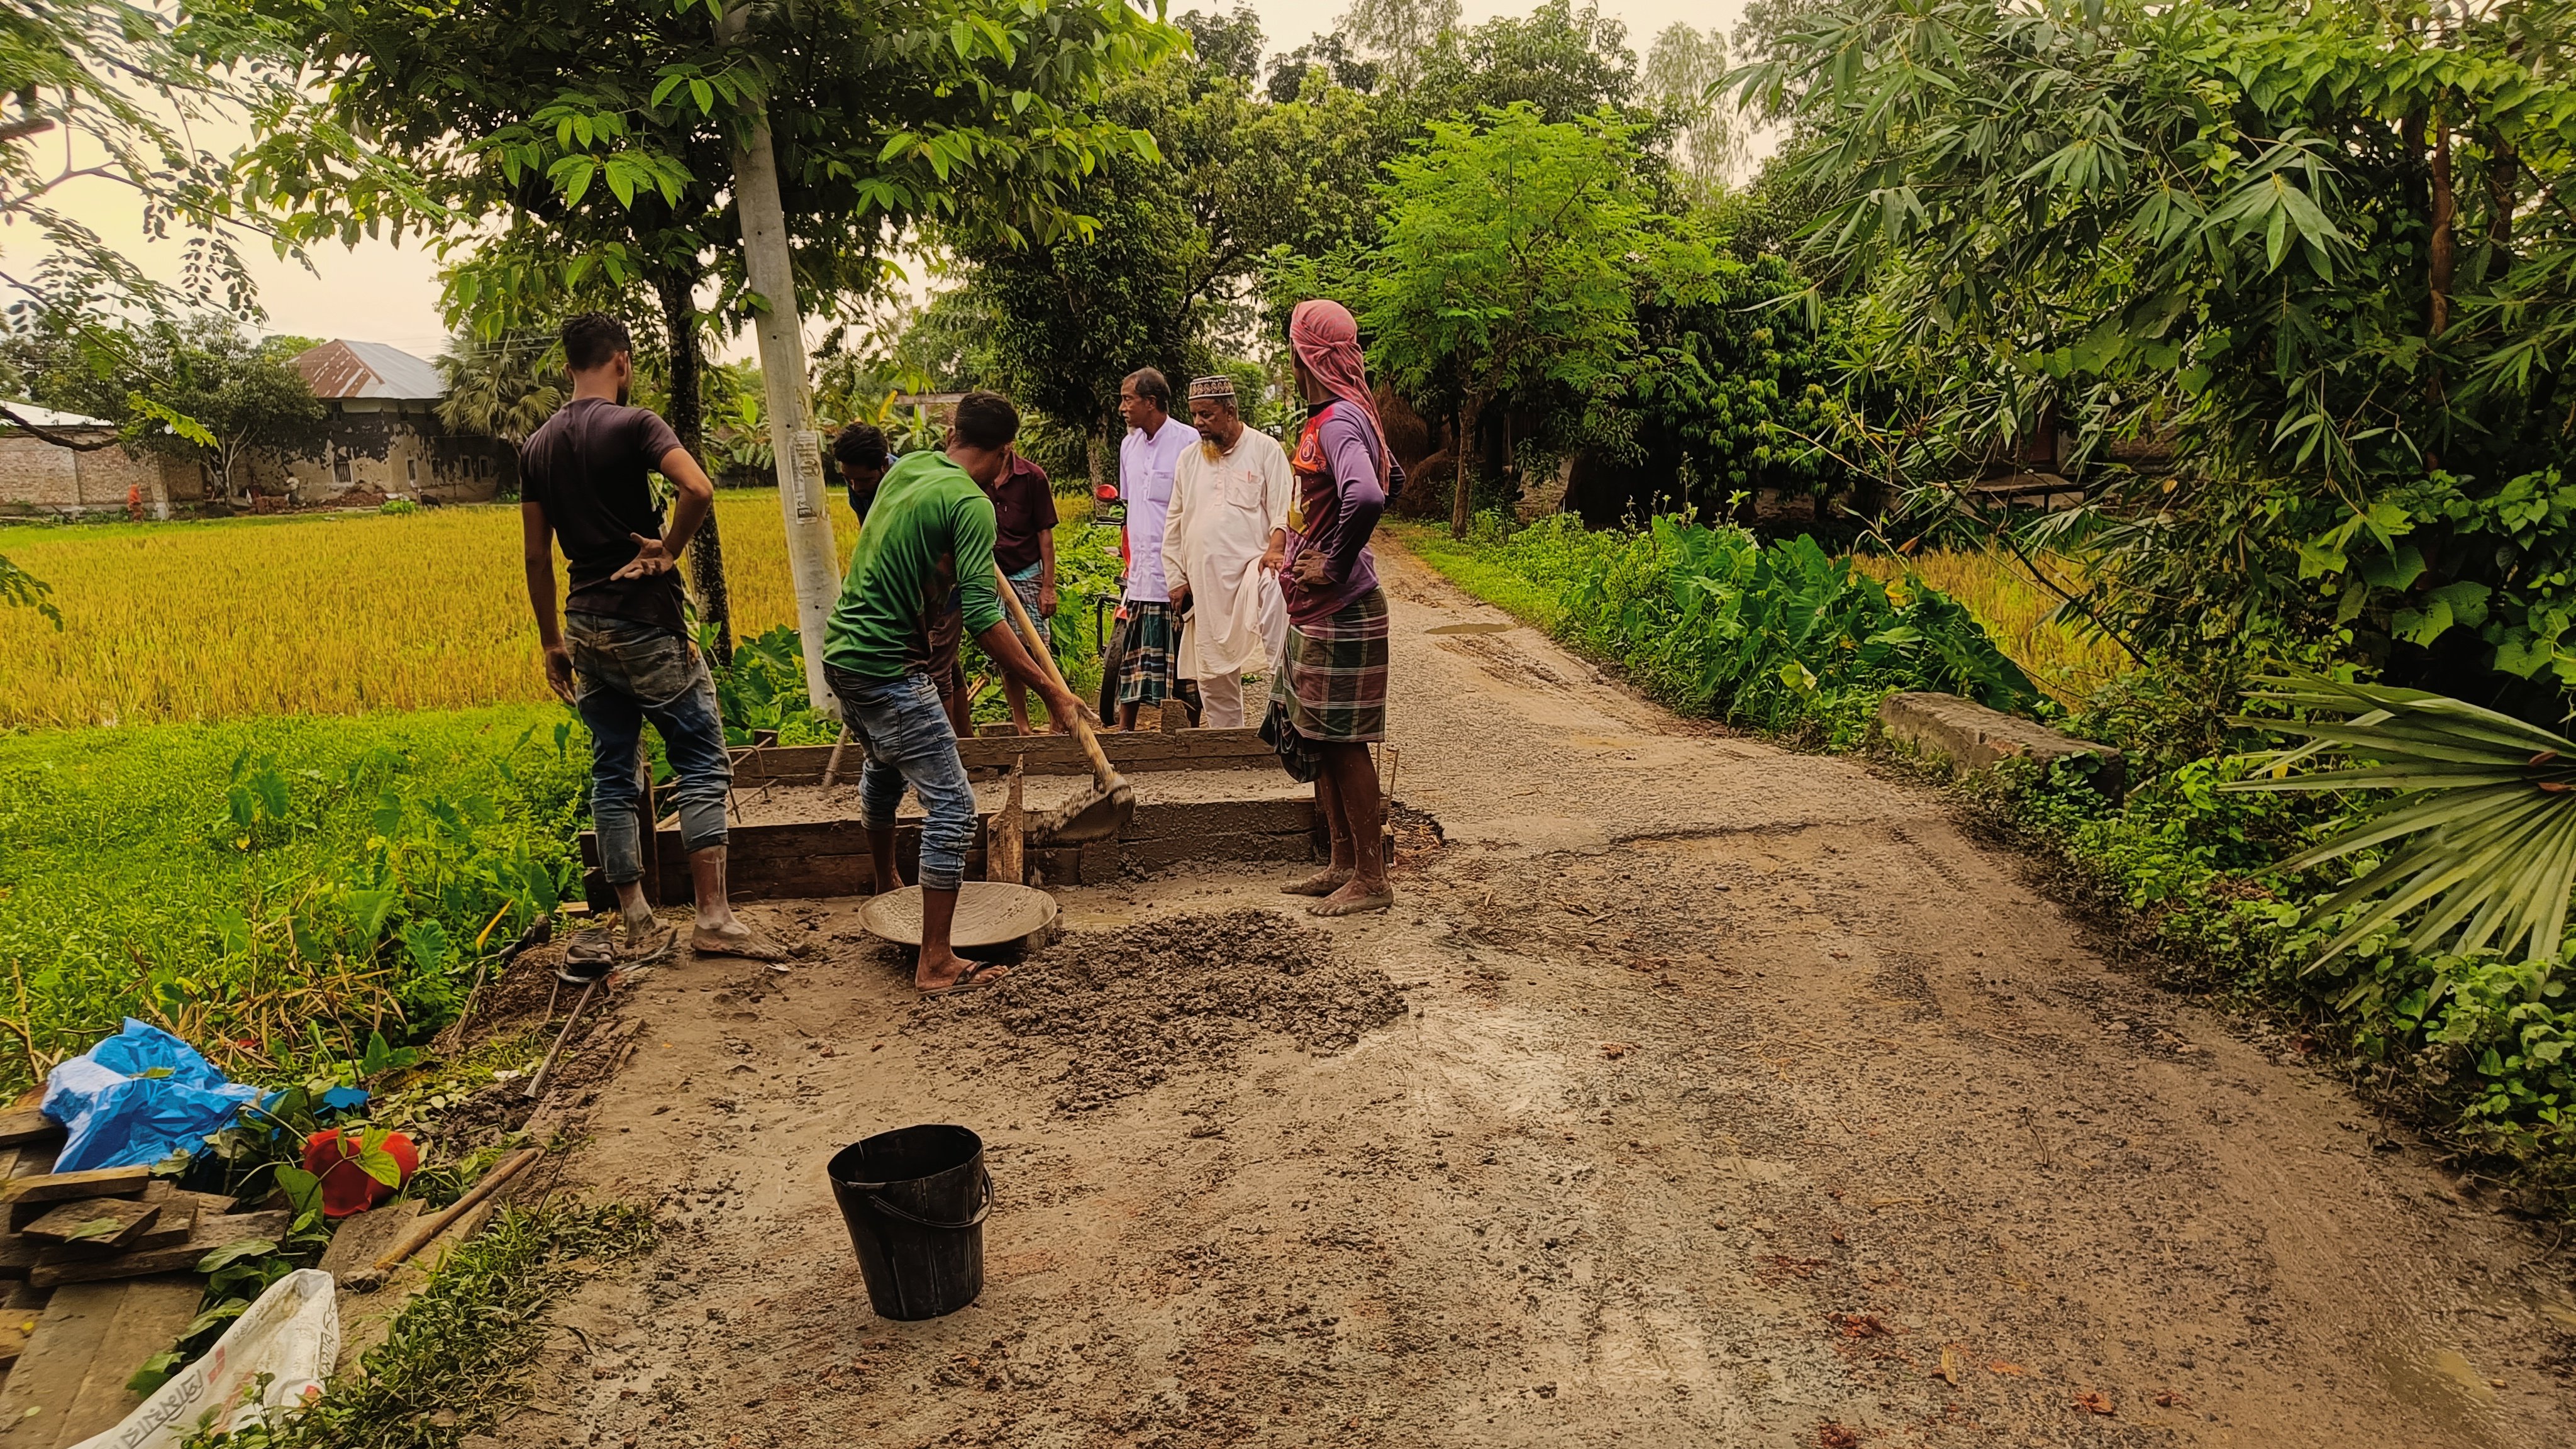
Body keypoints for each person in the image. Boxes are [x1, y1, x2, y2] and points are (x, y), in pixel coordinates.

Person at [519, 312, 786, 965]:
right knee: (699, 759)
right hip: (645, 618)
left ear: (568, 367)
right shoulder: (635, 424)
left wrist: (552, 642)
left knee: (613, 769)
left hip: (583, 623)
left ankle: (637, 920)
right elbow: (697, 488)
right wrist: (669, 548)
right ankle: (713, 918)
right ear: (623, 362)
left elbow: (535, 555)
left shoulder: (536, 447)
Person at [819, 389, 1086, 992]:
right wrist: (1052, 691)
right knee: (955, 809)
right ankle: (936, 962)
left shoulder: (909, 469)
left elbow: (924, 559)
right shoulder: (971, 503)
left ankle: (887, 883)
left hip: (844, 657)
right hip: (889, 668)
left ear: (951, 435)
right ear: (1006, 451)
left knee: (883, 768)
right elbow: (985, 619)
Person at [1266, 300, 1396, 917]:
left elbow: (1367, 494)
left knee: (1344, 742)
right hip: (1317, 611)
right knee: (1318, 736)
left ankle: (1371, 879)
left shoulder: (1339, 421)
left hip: (1342, 607)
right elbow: (1389, 480)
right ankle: (1343, 863)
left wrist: (1336, 561)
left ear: (1303, 356)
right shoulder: (1341, 416)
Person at [1163, 375, 1291, 729]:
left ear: (1230, 412)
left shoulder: (1265, 450)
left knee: (1273, 588)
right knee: (1211, 673)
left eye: (1207, 414)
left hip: (1251, 570)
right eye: (1194, 415)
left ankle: (1287, 710)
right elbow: (1174, 522)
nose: (1198, 423)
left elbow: (1284, 507)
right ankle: (1228, 739)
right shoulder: (1188, 460)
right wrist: (1176, 578)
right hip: (1205, 583)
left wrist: (1276, 548)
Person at [1112, 367, 1198, 730]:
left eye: (1128, 400)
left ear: (1150, 402)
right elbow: (1132, 507)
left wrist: (1188, 574)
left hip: (1178, 574)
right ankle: (1125, 734)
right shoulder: (1128, 446)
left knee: (1187, 667)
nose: (1122, 408)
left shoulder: (1189, 442)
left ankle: (1193, 737)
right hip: (1142, 577)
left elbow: (1198, 510)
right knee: (1133, 660)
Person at [985, 442, 1060, 733]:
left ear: (1009, 443)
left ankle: (1058, 718)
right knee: (1007, 653)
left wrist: (1048, 586)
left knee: (1038, 649)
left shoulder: (1032, 477)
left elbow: (1045, 535)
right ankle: (1022, 726)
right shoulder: (978, 475)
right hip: (992, 573)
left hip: (1027, 571)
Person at [834, 421, 891, 521]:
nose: (856, 488)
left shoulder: (907, 488)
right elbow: (866, 528)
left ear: (885, 466)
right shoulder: (855, 478)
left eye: (866, 480)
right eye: (848, 479)